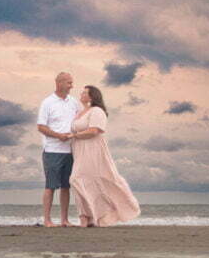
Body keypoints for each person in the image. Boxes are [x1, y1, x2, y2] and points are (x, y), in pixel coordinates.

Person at [69, 85, 140, 227]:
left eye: (85, 93)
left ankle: (98, 214)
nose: (81, 94)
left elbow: (94, 131)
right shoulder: (80, 112)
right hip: (80, 150)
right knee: (84, 181)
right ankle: (86, 218)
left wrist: (74, 135)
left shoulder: (97, 111)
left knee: (76, 179)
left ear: (92, 96)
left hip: (93, 149)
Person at [37, 72, 80, 227]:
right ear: (59, 83)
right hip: (52, 150)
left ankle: (64, 220)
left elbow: (79, 121)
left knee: (66, 187)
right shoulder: (47, 103)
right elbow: (41, 127)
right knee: (50, 186)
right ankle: (47, 220)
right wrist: (58, 136)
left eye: (71, 82)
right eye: (69, 83)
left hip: (70, 150)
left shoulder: (73, 102)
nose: (71, 86)